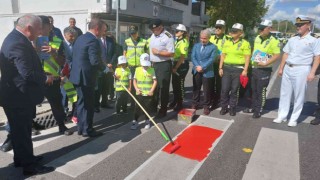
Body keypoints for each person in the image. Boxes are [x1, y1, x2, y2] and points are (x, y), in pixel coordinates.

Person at [0, 14, 55, 175]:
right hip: (18, 96)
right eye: (38, 30)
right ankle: (29, 166)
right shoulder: (18, 42)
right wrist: (46, 77)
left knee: (19, 132)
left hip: (15, 95)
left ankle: (21, 159)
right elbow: (27, 73)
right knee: (23, 132)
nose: (40, 33)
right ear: (29, 28)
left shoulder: (16, 38)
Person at [273, 15, 320, 127]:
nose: (297, 27)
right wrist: (281, 68)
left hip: (302, 68)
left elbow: (317, 57)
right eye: (297, 25)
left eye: (300, 25)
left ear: (308, 25)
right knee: (284, 93)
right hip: (288, 67)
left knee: (299, 95)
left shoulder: (314, 39)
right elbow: (286, 53)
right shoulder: (293, 38)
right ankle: (282, 115)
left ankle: (294, 118)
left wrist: (312, 72)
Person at [69, 18, 107, 137]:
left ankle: (81, 128)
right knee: (88, 105)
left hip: (77, 76)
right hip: (86, 78)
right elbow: (94, 61)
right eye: (103, 30)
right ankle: (87, 130)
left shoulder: (80, 38)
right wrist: (104, 68)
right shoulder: (93, 40)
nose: (103, 33)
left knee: (81, 103)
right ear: (97, 29)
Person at [36, 15, 73, 136]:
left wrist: (53, 52)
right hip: (35, 78)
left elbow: (63, 61)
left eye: (47, 25)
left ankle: (62, 125)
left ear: (50, 26)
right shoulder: (31, 40)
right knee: (29, 105)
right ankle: (29, 126)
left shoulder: (57, 41)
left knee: (57, 104)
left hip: (53, 78)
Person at [243, 19, 280, 118]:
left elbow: (276, 55)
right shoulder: (257, 38)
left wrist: (265, 63)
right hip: (255, 68)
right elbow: (255, 51)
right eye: (260, 29)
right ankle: (253, 106)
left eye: (262, 29)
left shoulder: (274, 41)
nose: (260, 31)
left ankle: (258, 109)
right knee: (253, 90)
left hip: (264, 69)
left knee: (261, 91)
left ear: (269, 29)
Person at [219, 23, 251, 116]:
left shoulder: (245, 43)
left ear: (240, 33)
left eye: (235, 31)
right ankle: (224, 107)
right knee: (224, 89)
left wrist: (245, 70)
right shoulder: (227, 42)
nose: (232, 32)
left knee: (234, 90)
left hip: (238, 69)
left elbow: (247, 58)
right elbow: (223, 55)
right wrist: (220, 67)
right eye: (232, 30)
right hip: (227, 68)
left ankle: (232, 108)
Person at [149, 19, 175, 118]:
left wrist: (158, 53)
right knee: (154, 87)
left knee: (163, 88)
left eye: (154, 29)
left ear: (160, 27)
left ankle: (163, 110)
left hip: (163, 64)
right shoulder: (153, 35)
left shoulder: (168, 36)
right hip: (154, 64)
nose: (153, 31)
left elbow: (172, 53)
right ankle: (153, 108)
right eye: (152, 29)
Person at [191, 29, 217, 115]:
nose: (202, 40)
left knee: (207, 90)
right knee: (196, 88)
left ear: (209, 38)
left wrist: (203, 67)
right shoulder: (196, 46)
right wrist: (197, 66)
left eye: (205, 38)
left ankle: (206, 106)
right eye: (201, 38)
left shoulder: (213, 47)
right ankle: (195, 103)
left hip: (207, 71)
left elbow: (212, 59)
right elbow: (193, 57)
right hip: (197, 70)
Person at [123, 25, 148, 108]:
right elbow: (124, 54)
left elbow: (147, 54)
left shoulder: (144, 41)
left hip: (140, 67)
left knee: (140, 85)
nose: (133, 35)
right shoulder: (126, 41)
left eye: (134, 33)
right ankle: (132, 103)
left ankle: (140, 102)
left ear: (137, 32)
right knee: (131, 86)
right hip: (130, 67)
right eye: (131, 34)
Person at [131, 53, 157, 130]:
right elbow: (134, 80)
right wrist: (136, 89)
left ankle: (147, 121)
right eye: (143, 65)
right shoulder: (137, 70)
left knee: (147, 108)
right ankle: (135, 121)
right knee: (137, 108)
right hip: (139, 93)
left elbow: (155, 81)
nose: (145, 66)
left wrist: (152, 90)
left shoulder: (152, 70)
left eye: (146, 65)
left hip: (148, 94)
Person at [58, 26, 78, 123]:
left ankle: (74, 113)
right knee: (64, 93)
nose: (73, 38)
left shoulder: (76, 45)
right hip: (64, 74)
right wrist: (60, 74)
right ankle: (63, 112)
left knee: (74, 94)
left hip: (74, 73)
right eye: (71, 36)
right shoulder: (60, 45)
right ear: (65, 35)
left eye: (74, 36)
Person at [168, 24, 189, 111]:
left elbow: (182, 57)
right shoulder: (176, 41)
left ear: (182, 32)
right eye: (175, 31)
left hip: (181, 65)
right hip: (176, 63)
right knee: (174, 84)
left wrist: (176, 67)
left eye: (177, 31)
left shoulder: (184, 42)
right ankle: (175, 100)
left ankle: (180, 103)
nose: (175, 32)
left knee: (180, 85)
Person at [94, 23, 115, 112]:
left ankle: (105, 102)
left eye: (106, 31)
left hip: (109, 67)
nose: (104, 32)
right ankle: (96, 105)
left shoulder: (111, 40)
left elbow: (115, 53)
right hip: (99, 68)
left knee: (106, 86)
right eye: (103, 30)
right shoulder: (95, 40)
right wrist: (103, 64)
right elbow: (95, 55)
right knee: (98, 87)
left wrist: (111, 63)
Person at [209, 20, 229, 108]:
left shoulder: (228, 38)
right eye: (216, 27)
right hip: (211, 64)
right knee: (210, 82)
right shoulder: (211, 37)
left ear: (224, 28)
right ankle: (211, 98)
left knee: (219, 84)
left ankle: (217, 100)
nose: (217, 29)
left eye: (220, 27)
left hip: (222, 64)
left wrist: (221, 57)